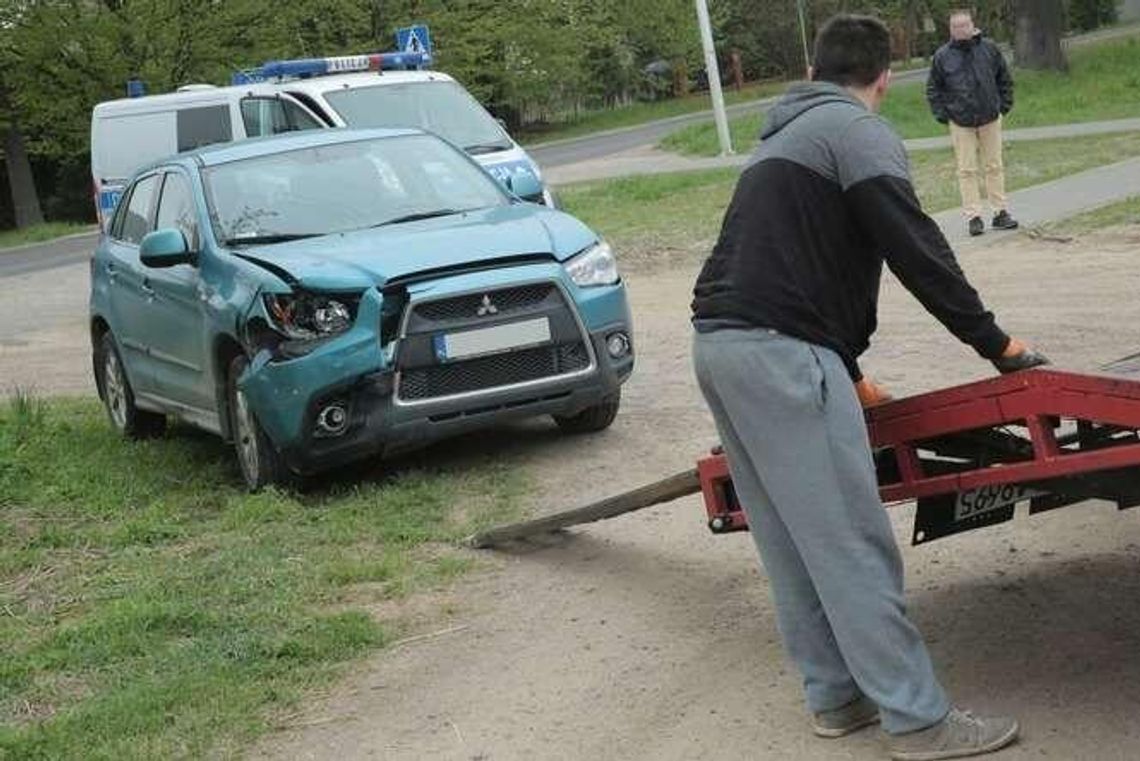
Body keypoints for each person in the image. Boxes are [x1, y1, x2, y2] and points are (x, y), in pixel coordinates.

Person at [691, 13, 1048, 761]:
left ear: (812, 72)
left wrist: (848, 374)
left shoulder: (781, 138)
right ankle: (919, 721)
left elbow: (793, 259)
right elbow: (917, 251)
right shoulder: (857, 133)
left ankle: (836, 697)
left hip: (720, 348)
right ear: (884, 78)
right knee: (851, 542)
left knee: (793, 541)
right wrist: (1000, 347)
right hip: (783, 353)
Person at [926, 9, 1018, 237]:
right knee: (966, 170)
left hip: (990, 117)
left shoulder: (989, 49)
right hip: (960, 121)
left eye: (964, 25)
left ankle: (1000, 212)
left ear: (972, 25)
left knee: (994, 165)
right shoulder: (942, 56)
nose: (960, 30)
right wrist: (943, 114)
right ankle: (973, 217)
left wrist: (1003, 105)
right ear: (950, 30)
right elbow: (933, 88)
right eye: (956, 27)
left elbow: (1004, 78)